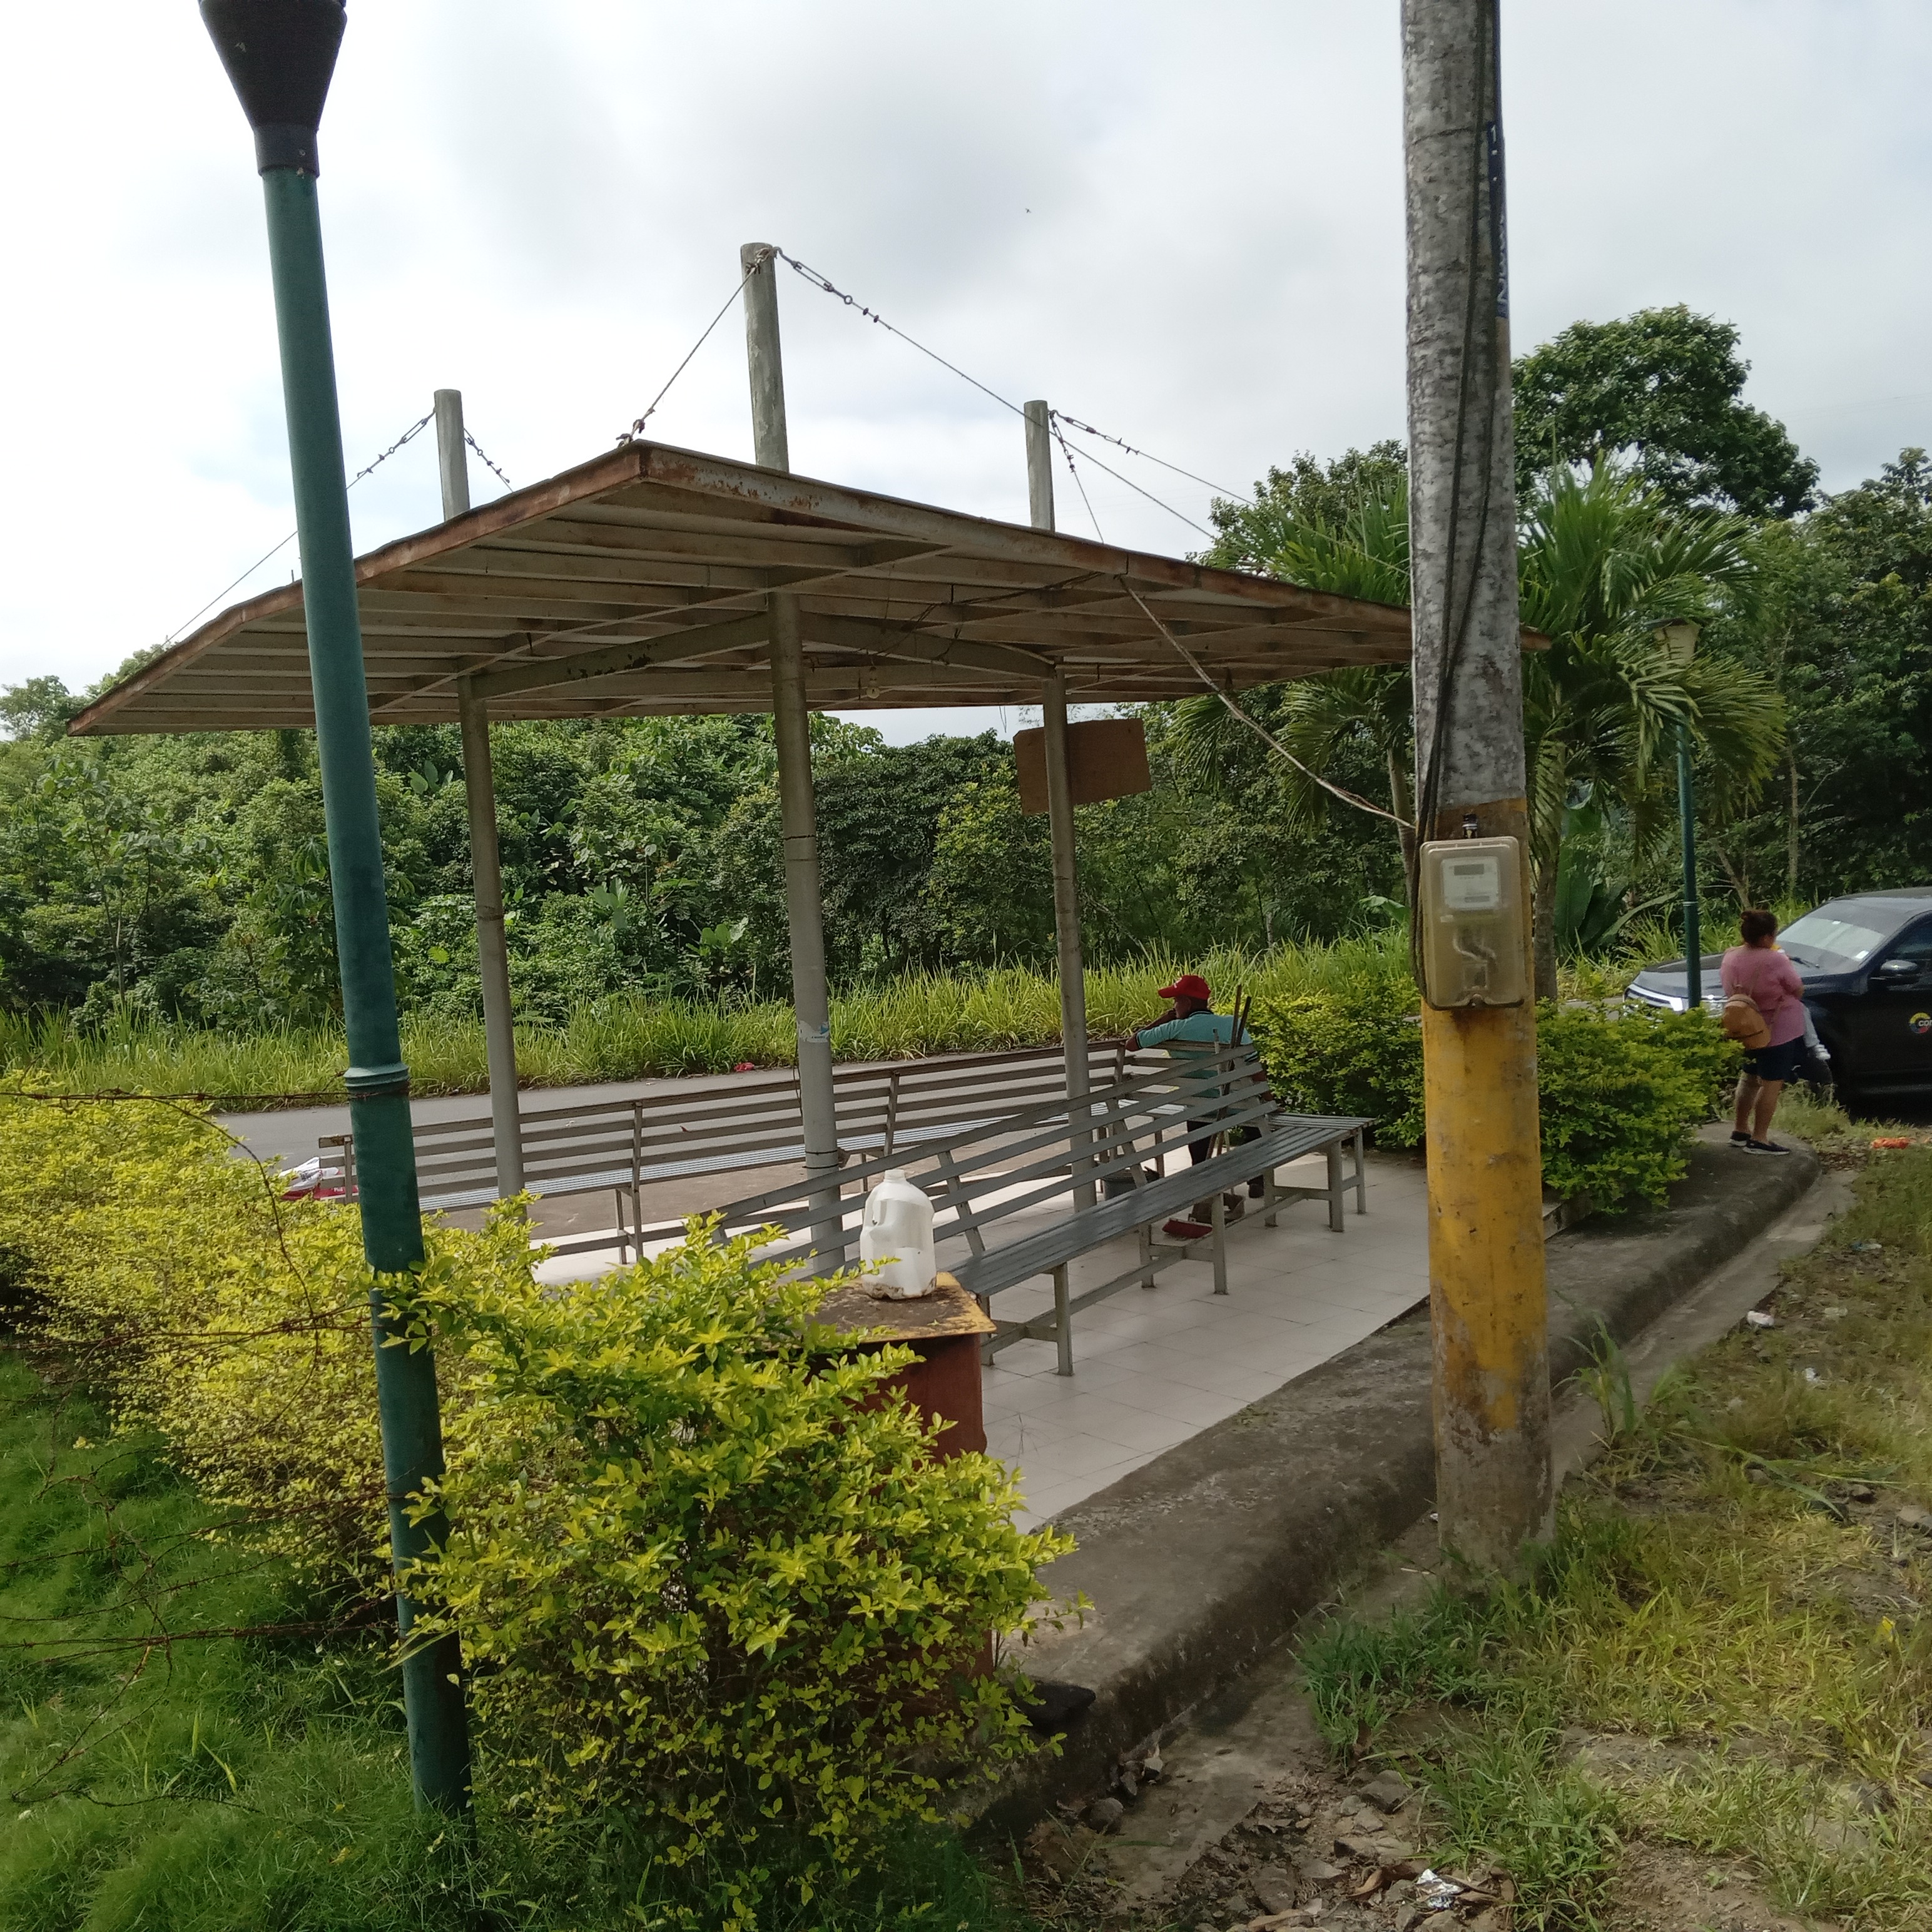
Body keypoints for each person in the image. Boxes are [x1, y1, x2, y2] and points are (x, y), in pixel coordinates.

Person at [1129, 974, 1239, 1169]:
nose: (1174, 1006)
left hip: (1199, 1106)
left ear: (1187, 1003)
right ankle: (1258, 1179)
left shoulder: (1174, 1028)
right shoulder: (1232, 1023)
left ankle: (1200, 1170)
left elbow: (1131, 1044)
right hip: (1236, 1102)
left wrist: (1163, 1019)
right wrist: (1268, 1099)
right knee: (1253, 1116)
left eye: (1176, 1001)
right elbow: (1254, 1066)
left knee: (1197, 1110)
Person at [1722, 908, 1806, 1154]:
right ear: (1768, 936)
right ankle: (1759, 1138)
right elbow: (1797, 989)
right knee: (1771, 1083)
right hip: (1775, 1030)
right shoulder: (1774, 959)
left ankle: (1740, 1130)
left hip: (1744, 1028)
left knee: (1748, 1077)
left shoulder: (1730, 956)